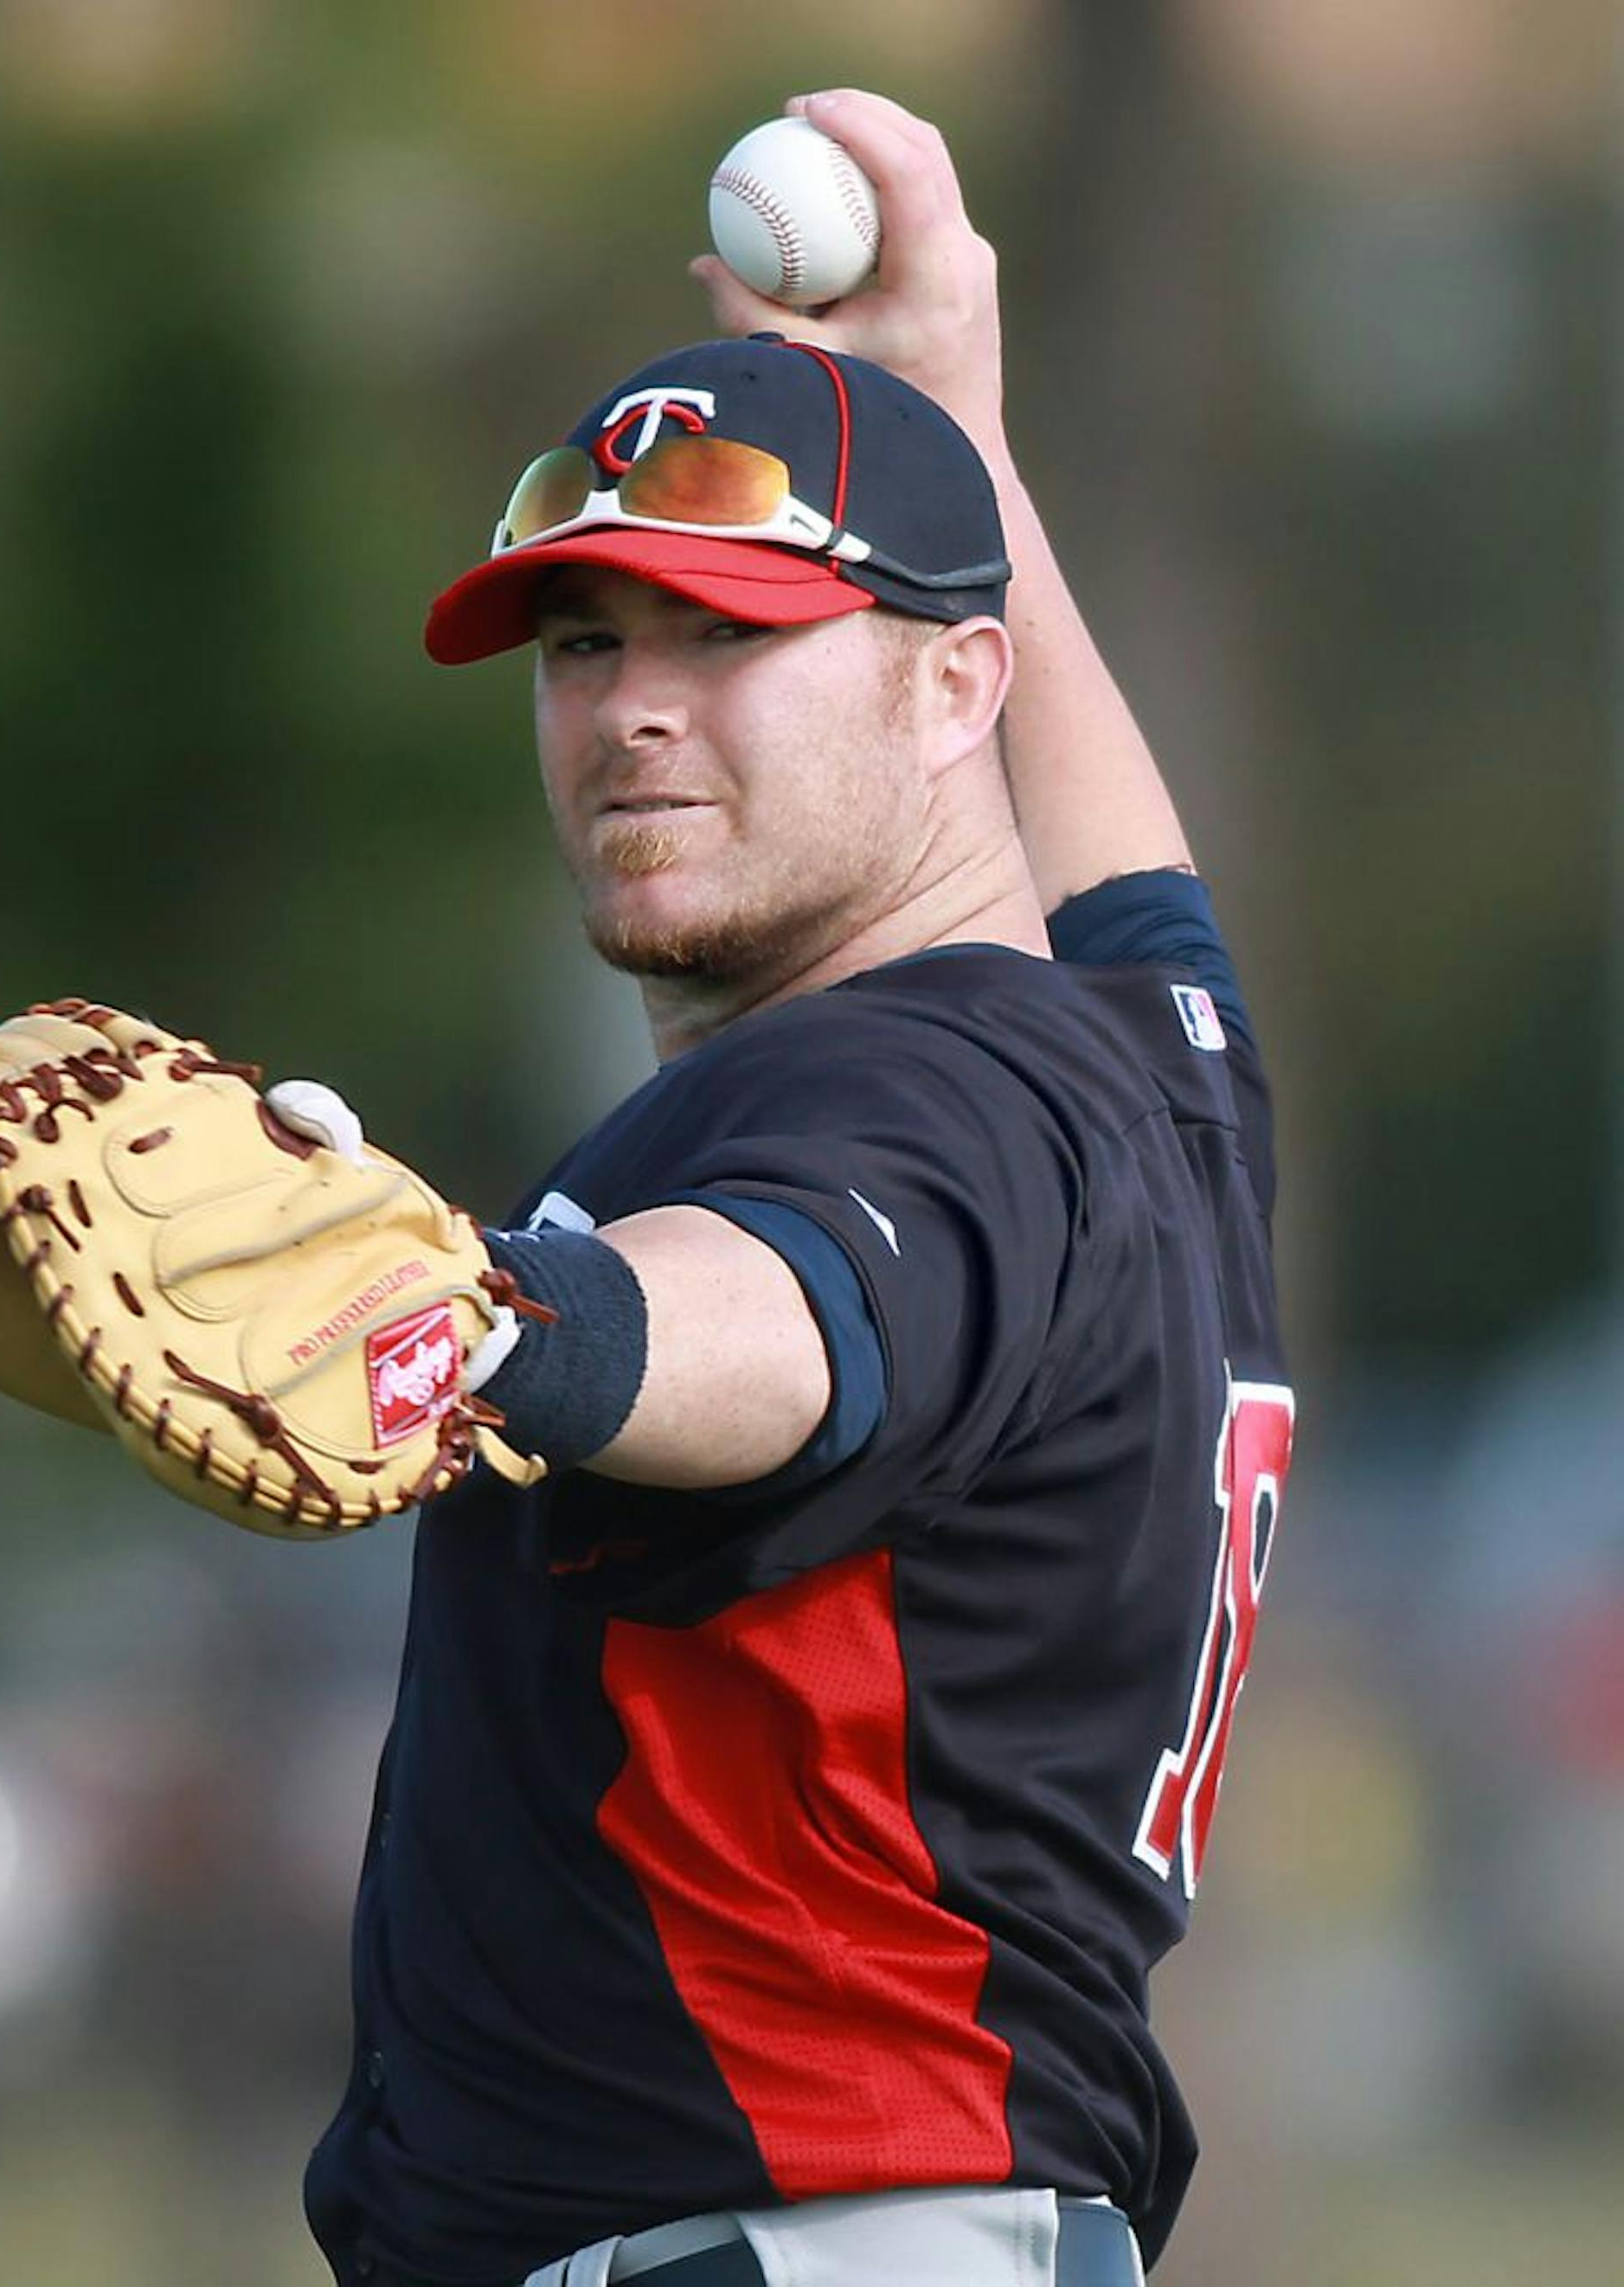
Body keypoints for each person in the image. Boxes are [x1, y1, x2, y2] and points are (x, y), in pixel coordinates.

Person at [295, 89, 1293, 2287]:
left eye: (728, 632)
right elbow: (1140, 886)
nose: (634, 709)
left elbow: (782, 1322)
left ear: (957, 685)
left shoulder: (902, 1090)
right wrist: (962, 424)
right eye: (585, 644)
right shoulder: (1151, 1066)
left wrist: (471, 1308)